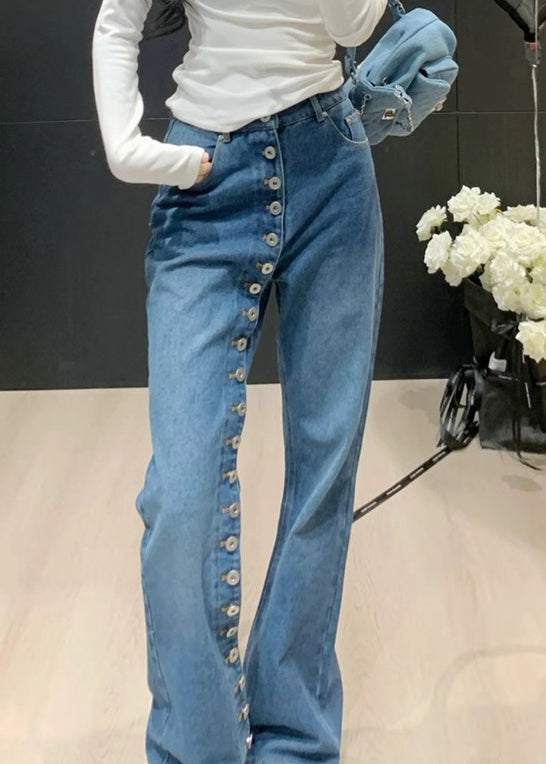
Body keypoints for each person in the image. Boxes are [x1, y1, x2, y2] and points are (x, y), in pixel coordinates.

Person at [91, 1, 387, 762]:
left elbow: (353, 26)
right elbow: (118, 19)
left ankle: (296, 740)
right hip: (206, 179)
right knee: (182, 496)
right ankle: (197, 748)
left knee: (324, 471)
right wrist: (126, 144)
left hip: (331, 164)